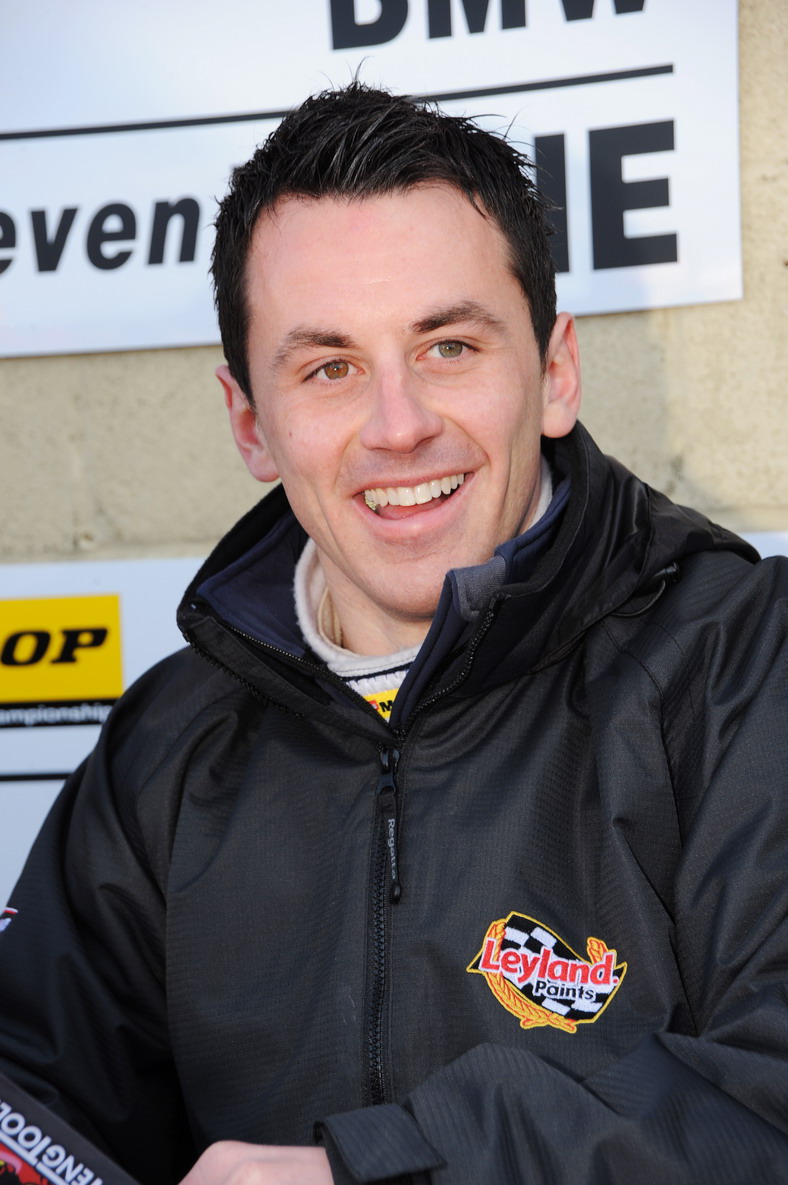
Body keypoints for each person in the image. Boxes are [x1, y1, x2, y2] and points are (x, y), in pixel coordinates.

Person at [0, 83, 786, 1185]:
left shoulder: (743, 665)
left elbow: (766, 1104)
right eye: (329, 368)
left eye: (448, 346)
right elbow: (35, 1109)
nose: (399, 425)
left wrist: (371, 1171)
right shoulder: (166, 745)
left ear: (554, 372)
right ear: (250, 423)